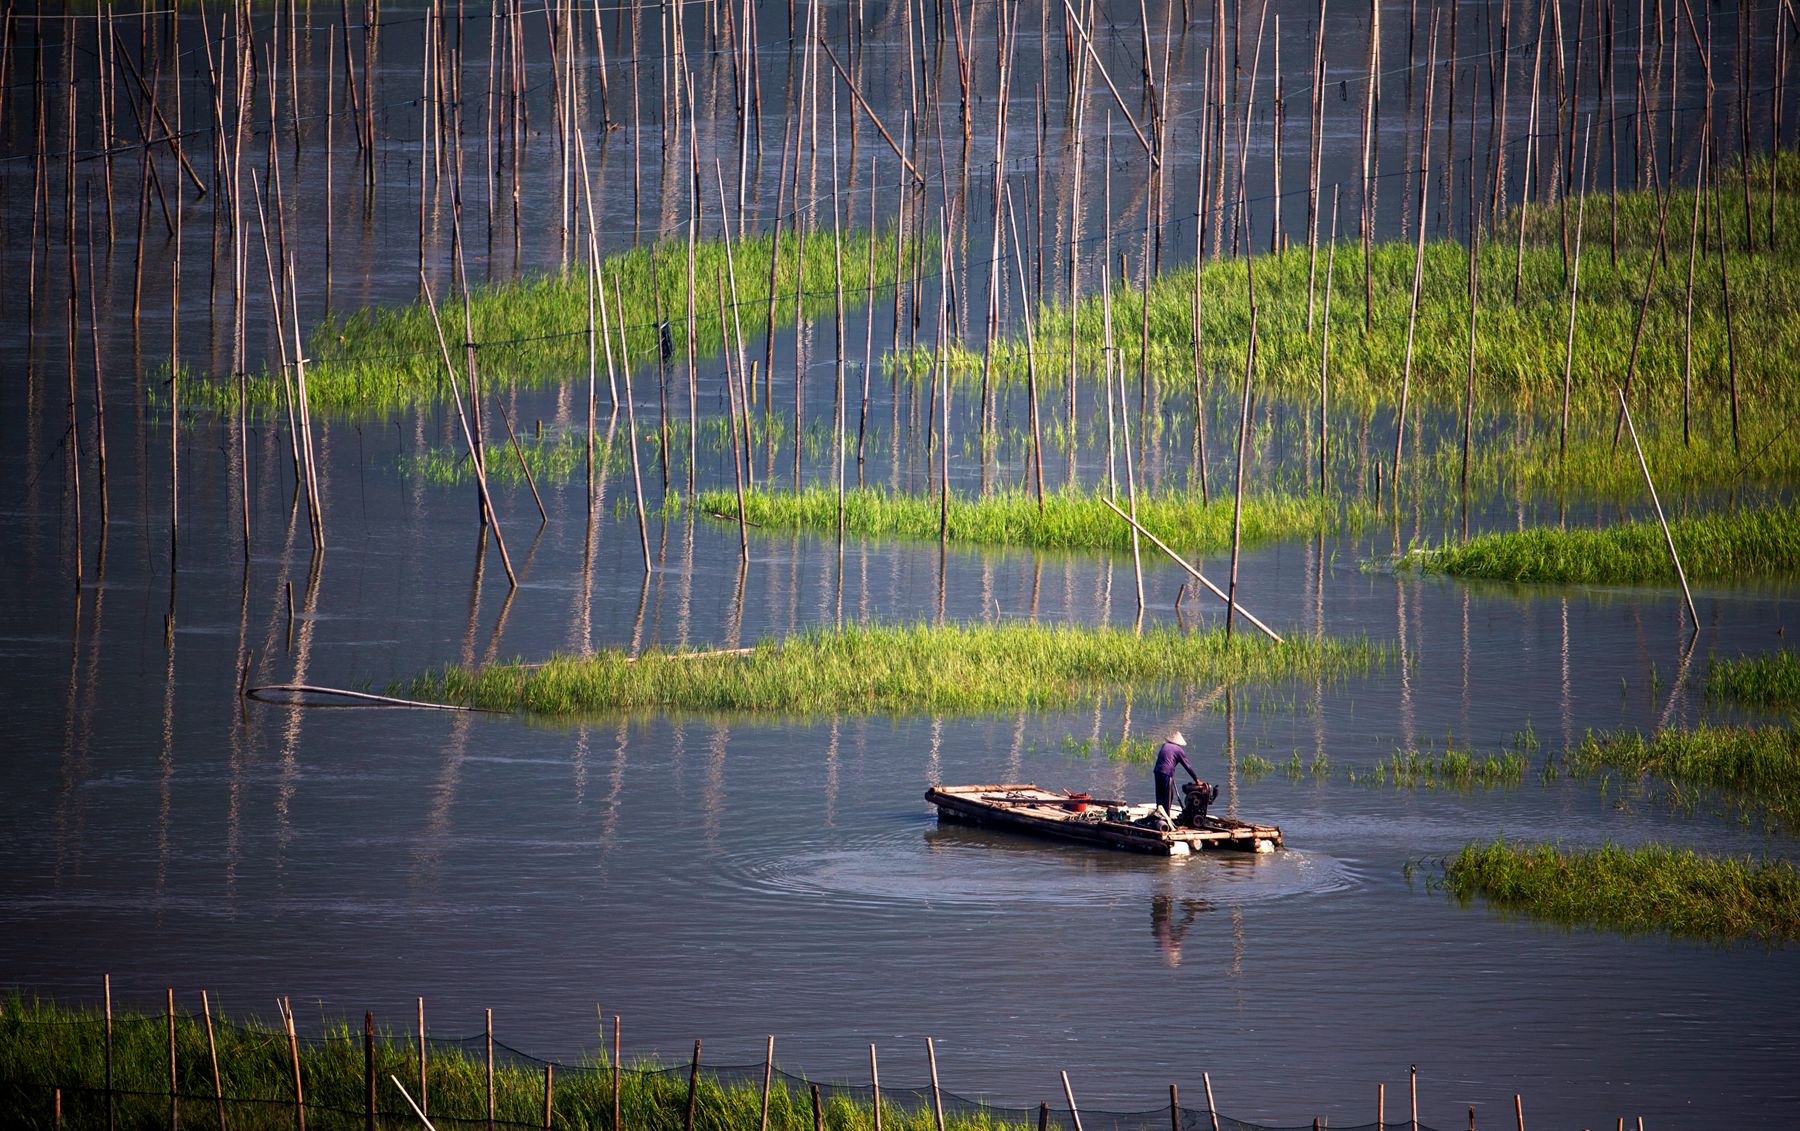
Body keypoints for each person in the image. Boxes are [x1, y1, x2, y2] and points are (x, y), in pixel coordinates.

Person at [1152, 731, 1196, 813]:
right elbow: (1188, 767)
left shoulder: (1164, 745)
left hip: (1157, 771)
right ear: (1179, 743)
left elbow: (1164, 759)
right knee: (1168, 797)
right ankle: (1166, 816)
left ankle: (1158, 814)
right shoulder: (1178, 750)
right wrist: (1196, 779)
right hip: (1166, 773)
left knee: (1160, 795)